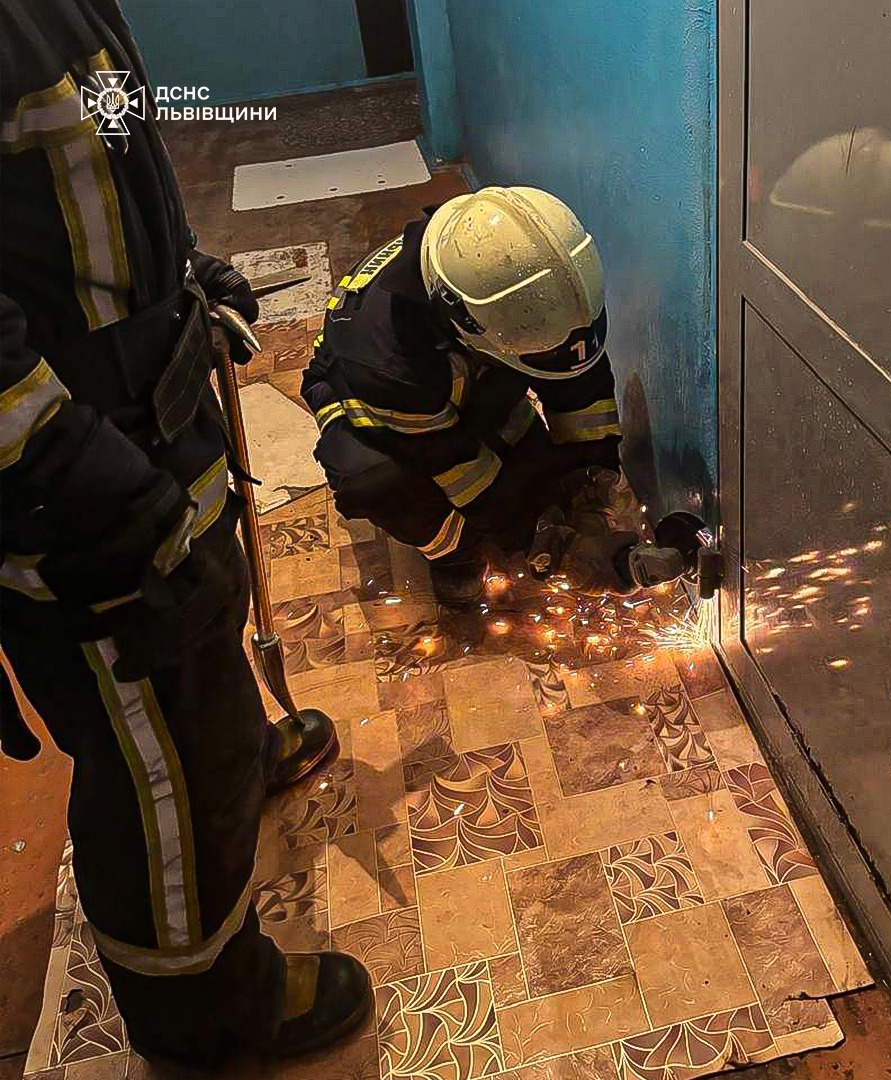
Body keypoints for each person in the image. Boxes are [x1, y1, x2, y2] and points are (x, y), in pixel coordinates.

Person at [0, 0, 372, 1068]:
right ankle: (208, 1016)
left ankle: (228, 753)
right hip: (74, 503)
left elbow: (103, 166)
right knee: (154, 775)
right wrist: (98, 487)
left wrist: (180, 270)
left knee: (199, 676)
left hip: (143, 438)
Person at [301, 186, 691, 605]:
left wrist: (591, 492)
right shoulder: (388, 359)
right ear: (467, 325)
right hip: (379, 415)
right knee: (380, 481)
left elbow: (580, 385)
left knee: (541, 483)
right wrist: (549, 544)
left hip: (453, 377)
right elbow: (453, 465)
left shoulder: (507, 265)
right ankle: (455, 555)